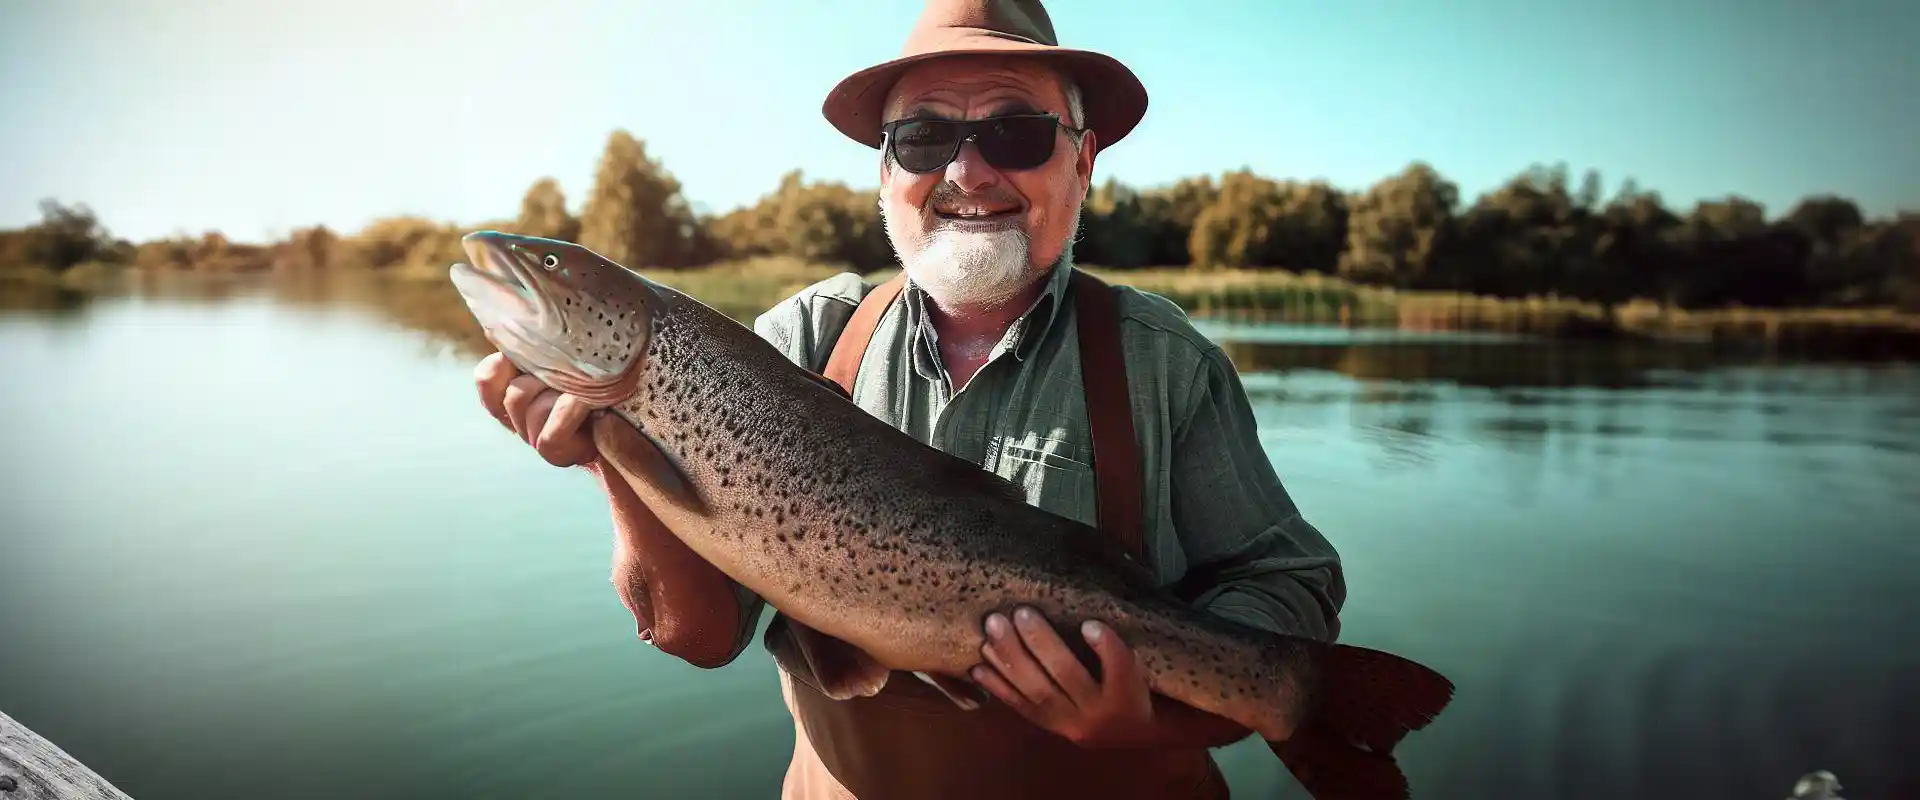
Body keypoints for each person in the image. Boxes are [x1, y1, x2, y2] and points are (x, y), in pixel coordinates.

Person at [472, 0, 1345, 797]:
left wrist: (1154, 720)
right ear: (885, 172)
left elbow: (1287, 579)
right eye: (924, 138)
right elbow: (695, 635)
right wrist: (606, 454)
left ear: (1082, 161)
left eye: (1017, 134)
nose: (967, 171)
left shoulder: (1168, 366)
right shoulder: (802, 342)